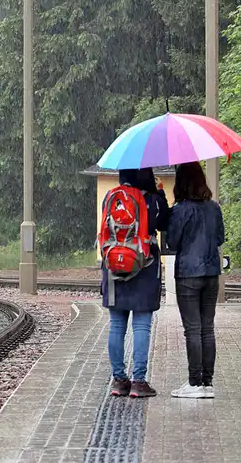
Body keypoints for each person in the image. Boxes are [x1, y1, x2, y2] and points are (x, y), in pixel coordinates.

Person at [101, 168, 169, 398]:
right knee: (141, 325)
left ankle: (119, 380)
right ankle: (139, 382)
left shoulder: (111, 196)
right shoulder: (152, 199)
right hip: (144, 264)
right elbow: (164, 223)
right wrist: (160, 193)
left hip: (113, 265)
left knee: (116, 325)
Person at [166, 161, 225, 399]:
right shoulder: (214, 207)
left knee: (192, 329)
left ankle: (194, 383)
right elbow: (220, 238)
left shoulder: (180, 209)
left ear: (181, 182)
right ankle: (207, 383)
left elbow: (172, 242)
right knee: (207, 328)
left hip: (188, 274)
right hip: (211, 273)